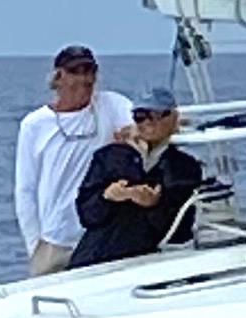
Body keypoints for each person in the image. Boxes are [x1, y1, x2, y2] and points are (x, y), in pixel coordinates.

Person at [14, 46, 133, 276]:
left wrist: (132, 136)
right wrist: (35, 246)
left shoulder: (111, 106)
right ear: (59, 77)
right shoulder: (34, 125)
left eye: (89, 70)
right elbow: (25, 190)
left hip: (101, 237)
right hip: (57, 243)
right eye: (75, 71)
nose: (84, 78)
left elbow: (150, 125)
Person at [68, 87, 204, 269]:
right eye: (140, 116)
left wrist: (152, 204)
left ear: (171, 118)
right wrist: (107, 197)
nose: (146, 122)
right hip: (94, 257)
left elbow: (179, 231)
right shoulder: (109, 157)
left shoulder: (183, 167)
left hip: (145, 261)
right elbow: (87, 215)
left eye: (154, 116)